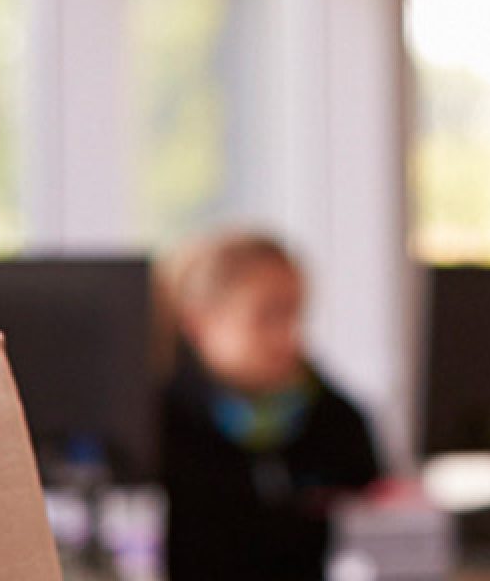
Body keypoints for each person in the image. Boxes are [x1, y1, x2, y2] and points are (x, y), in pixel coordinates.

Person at [158, 230, 384, 581]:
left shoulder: (337, 420)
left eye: (295, 314)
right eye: (267, 316)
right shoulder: (159, 426)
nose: (288, 335)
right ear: (199, 323)